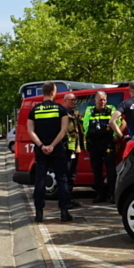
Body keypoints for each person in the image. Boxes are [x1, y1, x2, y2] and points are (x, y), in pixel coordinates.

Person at [27, 81, 72, 223]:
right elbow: (63, 130)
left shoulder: (34, 110)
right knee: (62, 179)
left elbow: (30, 131)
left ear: (43, 92)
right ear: (53, 92)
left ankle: (39, 213)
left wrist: (42, 146)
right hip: (57, 149)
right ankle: (64, 212)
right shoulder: (61, 109)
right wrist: (52, 145)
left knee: (40, 180)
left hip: (41, 151)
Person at [84, 91, 118, 203]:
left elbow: (119, 122)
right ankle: (100, 194)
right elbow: (85, 125)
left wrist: (115, 136)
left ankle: (111, 193)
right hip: (95, 144)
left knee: (111, 170)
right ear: (95, 101)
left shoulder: (111, 109)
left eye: (104, 100)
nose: (102, 102)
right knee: (97, 171)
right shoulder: (90, 110)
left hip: (108, 143)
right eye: (100, 100)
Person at [61, 91, 85, 209]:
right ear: (64, 101)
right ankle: (65, 200)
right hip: (66, 150)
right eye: (71, 100)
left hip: (75, 149)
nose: (74, 101)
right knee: (65, 175)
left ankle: (69, 198)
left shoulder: (76, 114)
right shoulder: (62, 114)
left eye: (74, 100)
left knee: (72, 176)